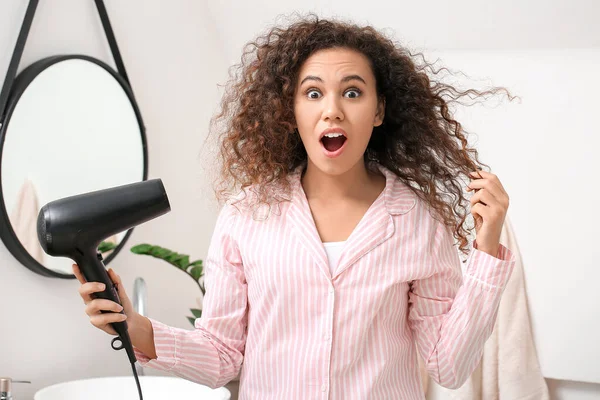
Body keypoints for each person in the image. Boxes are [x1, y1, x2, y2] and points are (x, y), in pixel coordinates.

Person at [74, 14, 517, 400]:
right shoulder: (247, 214)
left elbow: (449, 367)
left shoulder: (419, 220)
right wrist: (136, 328)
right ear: (291, 110)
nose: (332, 111)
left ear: (379, 110)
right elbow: (222, 355)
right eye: (312, 93)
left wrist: (486, 250)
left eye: (352, 93)